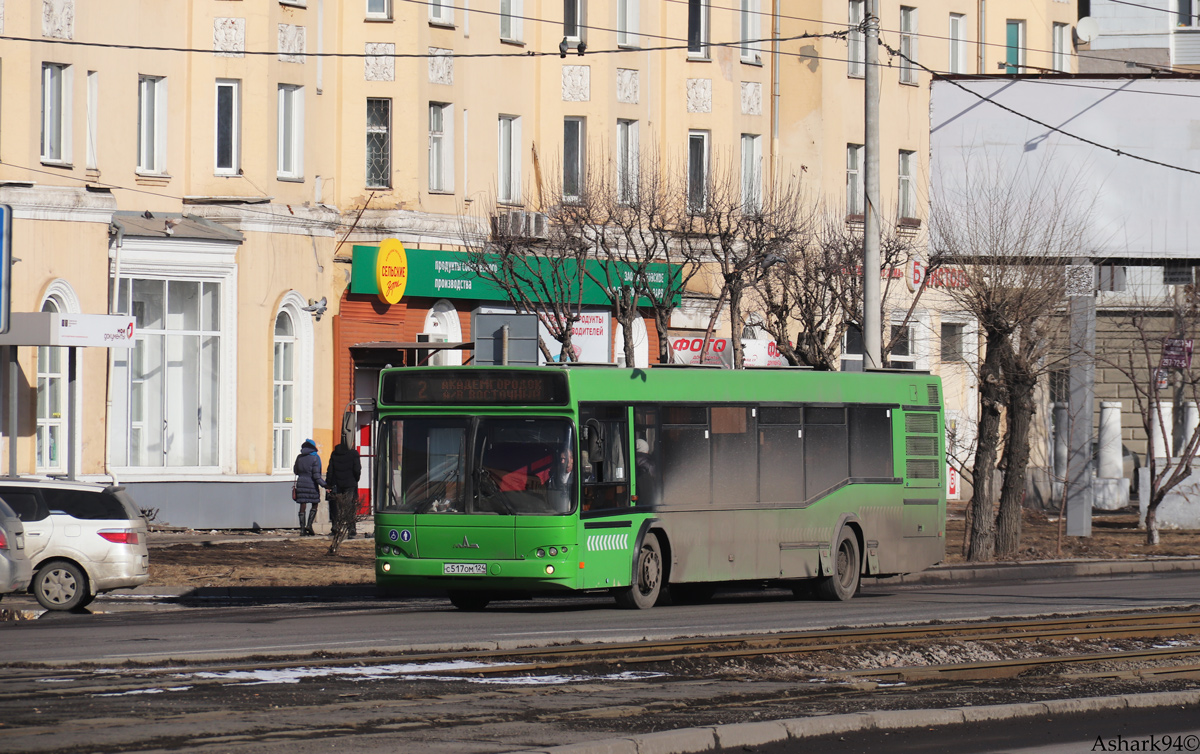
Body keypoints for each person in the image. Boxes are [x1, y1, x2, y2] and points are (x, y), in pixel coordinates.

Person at [325, 441, 362, 540]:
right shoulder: (354, 454)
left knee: (336, 506)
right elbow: (357, 469)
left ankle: (335, 528)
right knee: (349, 506)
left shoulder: (334, 453)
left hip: (337, 483)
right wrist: (356, 479)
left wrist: (328, 483)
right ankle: (351, 530)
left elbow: (330, 470)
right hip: (350, 484)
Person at [293, 439, 325, 536]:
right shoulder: (315, 458)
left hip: (301, 482)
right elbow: (317, 475)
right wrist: (325, 484)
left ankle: (302, 529)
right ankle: (309, 525)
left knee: (302, 505)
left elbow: (296, 471)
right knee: (315, 503)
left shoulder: (299, 457)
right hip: (312, 483)